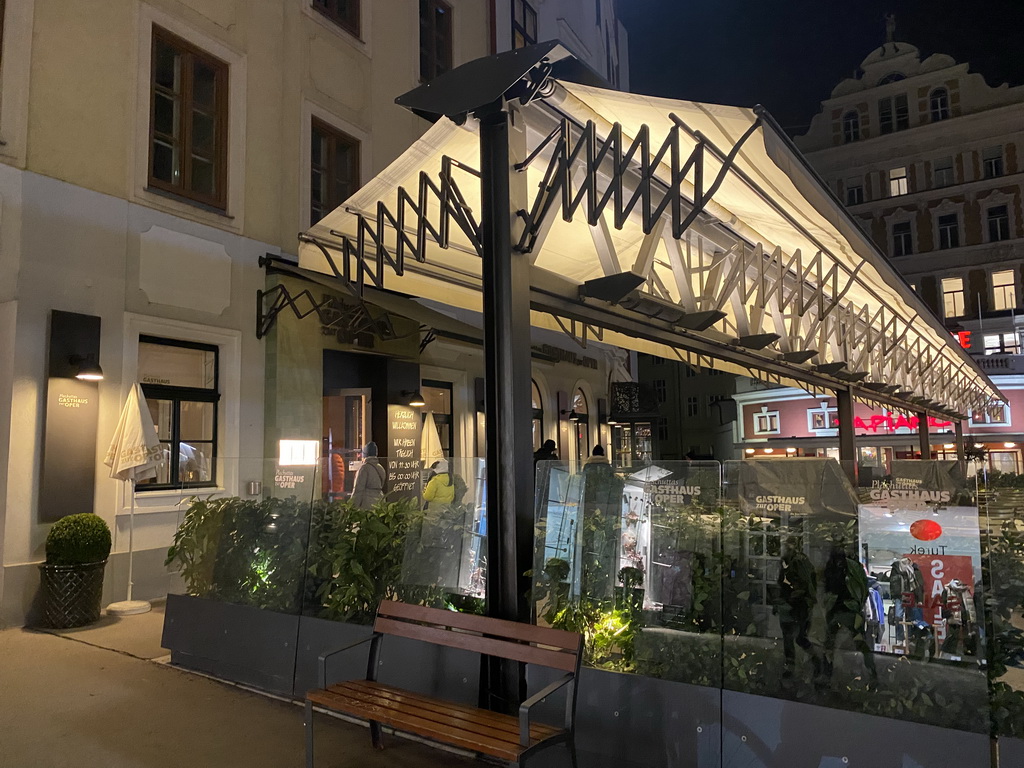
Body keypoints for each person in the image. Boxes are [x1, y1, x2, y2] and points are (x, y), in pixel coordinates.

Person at [776, 536, 820, 680]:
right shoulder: (786, 562)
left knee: (799, 638)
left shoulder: (799, 561)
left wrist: (795, 599)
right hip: (790, 605)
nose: (783, 550)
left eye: (786, 547)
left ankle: (817, 661)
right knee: (789, 638)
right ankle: (792, 667)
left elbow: (806, 585)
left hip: (798, 605)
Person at [350, 441, 386, 508]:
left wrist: (351, 507)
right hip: (380, 501)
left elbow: (358, 490)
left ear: (365, 454)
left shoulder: (364, 468)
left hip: (367, 503)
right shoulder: (381, 468)